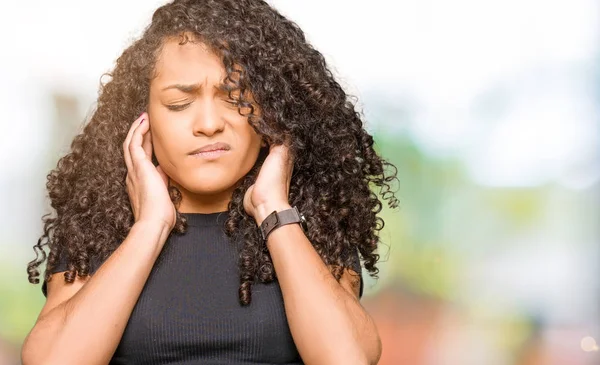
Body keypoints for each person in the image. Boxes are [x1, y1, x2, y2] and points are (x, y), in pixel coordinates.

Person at [22, 0, 399, 364]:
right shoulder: (98, 230)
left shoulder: (313, 226)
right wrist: (150, 225)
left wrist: (273, 209)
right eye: (178, 104)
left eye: (235, 99)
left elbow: (346, 359)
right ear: (143, 119)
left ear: (272, 112)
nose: (207, 123)